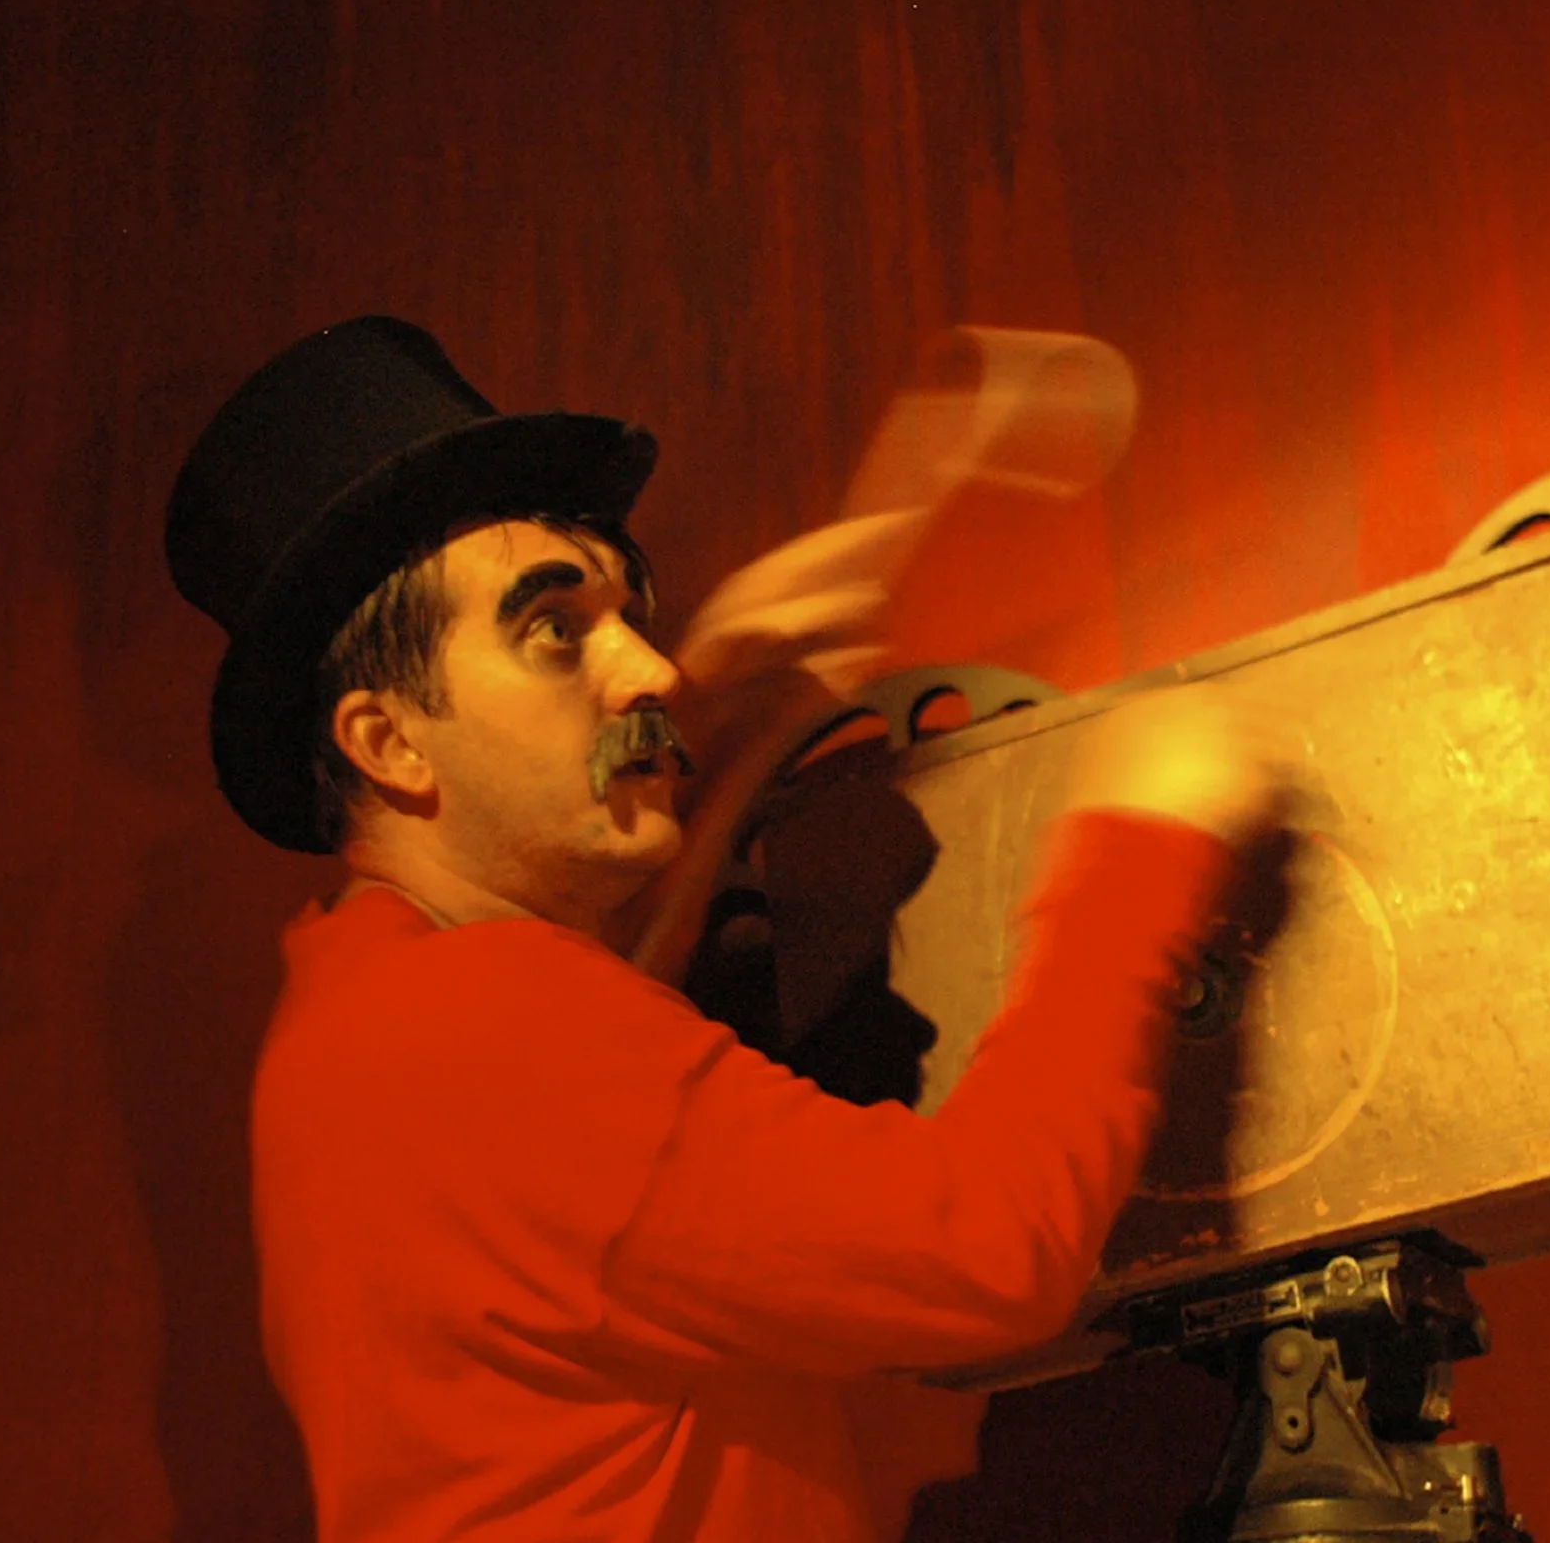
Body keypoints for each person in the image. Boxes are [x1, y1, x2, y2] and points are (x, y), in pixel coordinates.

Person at [163, 317, 1280, 1543]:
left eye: (627, 613)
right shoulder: (488, 1030)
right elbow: (987, 1248)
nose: (647, 666)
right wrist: (1140, 828)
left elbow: (601, 1177)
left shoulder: (357, 1010)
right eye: (554, 628)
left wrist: (737, 727)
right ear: (387, 742)